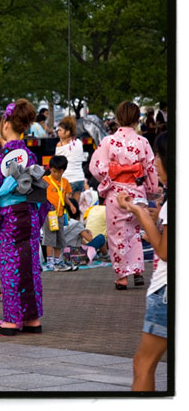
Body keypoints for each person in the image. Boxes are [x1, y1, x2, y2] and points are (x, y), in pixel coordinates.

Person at [0, 99, 50, 336]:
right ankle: (32, 319)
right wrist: (37, 217)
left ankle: (12, 320)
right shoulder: (30, 156)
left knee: (9, 268)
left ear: (5, 124)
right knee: (30, 266)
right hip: (29, 216)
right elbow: (39, 193)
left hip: (8, 219)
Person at [117, 131, 167, 391]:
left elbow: (165, 250)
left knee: (143, 364)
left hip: (165, 291)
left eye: (159, 156)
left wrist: (139, 212)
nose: (154, 162)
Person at [89, 101, 158, 289]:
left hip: (117, 194)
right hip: (137, 192)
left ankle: (122, 277)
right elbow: (150, 168)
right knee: (135, 232)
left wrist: (110, 179)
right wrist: (151, 189)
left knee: (117, 235)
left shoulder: (108, 141)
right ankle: (137, 271)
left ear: (118, 118)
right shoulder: (143, 142)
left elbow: (96, 167)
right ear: (137, 119)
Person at [42, 155, 77, 272]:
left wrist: (71, 204)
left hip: (60, 214)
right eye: (54, 171)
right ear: (50, 169)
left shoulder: (65, 182)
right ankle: (50, 262)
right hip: (49, 214)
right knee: (50, 238)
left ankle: (58, 261)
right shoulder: (45, 180)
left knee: (60, 238)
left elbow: (64, 196)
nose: (57, 174)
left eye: (60, 172)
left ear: (63, 170)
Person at [55, 116, 86, 204]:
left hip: (68, 179)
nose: (58, 132)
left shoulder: (60, 145)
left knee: (65, 206)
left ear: (67, 132)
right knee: (75, 206)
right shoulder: (79, 142)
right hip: (80, 179)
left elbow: (57, 162)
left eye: (60, 130)